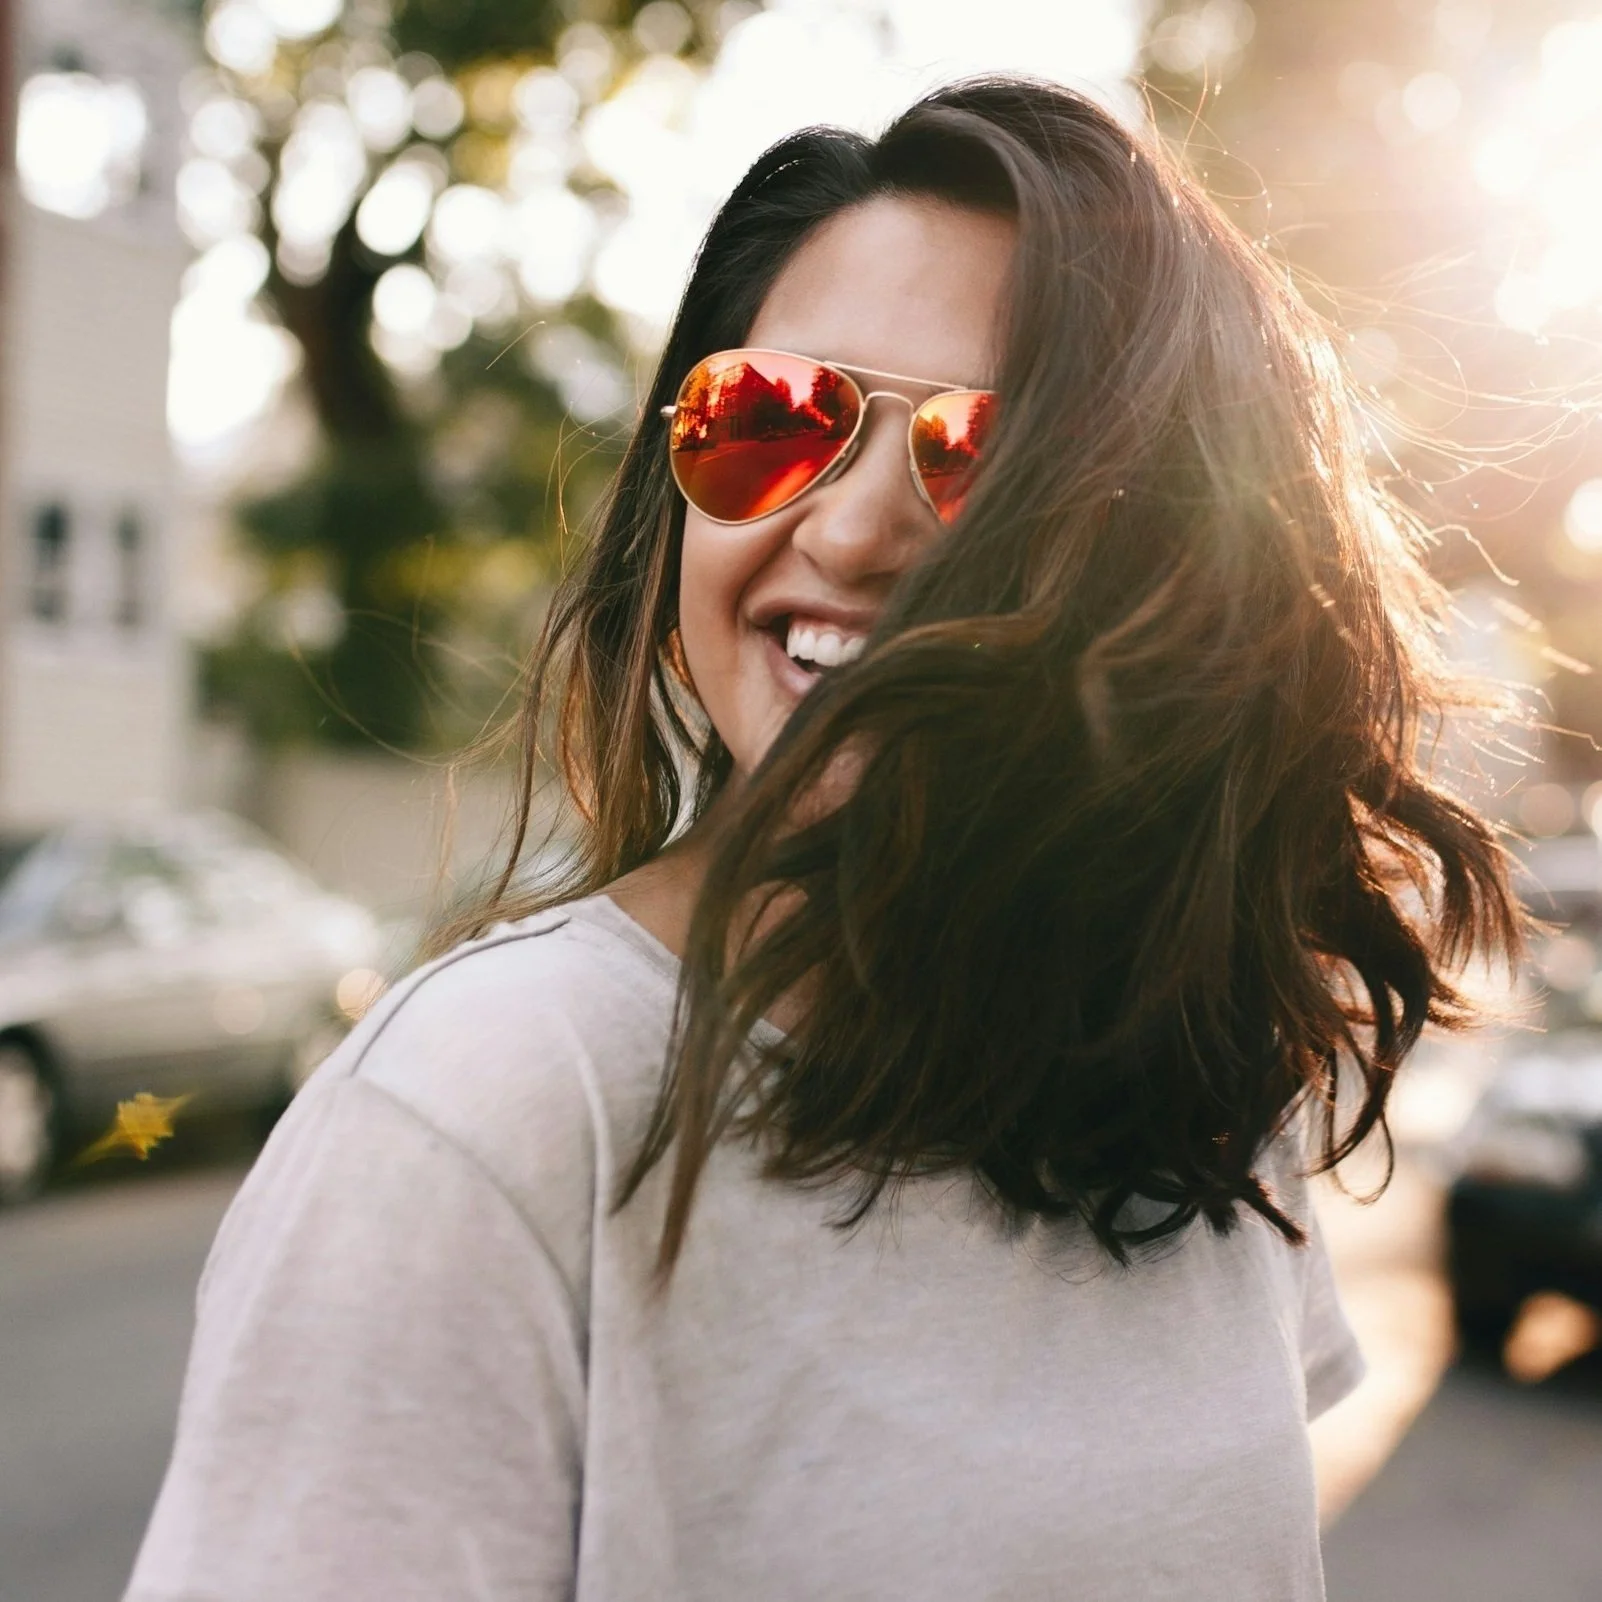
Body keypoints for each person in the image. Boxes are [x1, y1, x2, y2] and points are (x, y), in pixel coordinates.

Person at [125, 76, 1522, 1602]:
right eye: (771, 421)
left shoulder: (1179, 1071)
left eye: (980, 457)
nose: (850, 534)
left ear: (1171, 564)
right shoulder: (487, 1109)